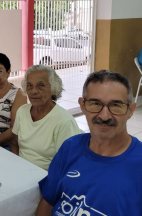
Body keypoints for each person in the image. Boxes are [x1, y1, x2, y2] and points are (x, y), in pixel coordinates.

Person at [36, 70, 141, 215]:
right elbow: (48, 200)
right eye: (95, 103)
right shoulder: (70, 147)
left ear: (131, 110)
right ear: (82, 105)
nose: (104, 116)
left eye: (116, 105)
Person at [11, 65, 82, 170]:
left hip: (45, 176)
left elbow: (66, 164)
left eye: (40, 85)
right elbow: (15, 145)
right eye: (29, 85)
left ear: (54, 89)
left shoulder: (63, 121)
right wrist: (15, 166)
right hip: (20, 168)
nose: (33, 91)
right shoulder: (22, 111)